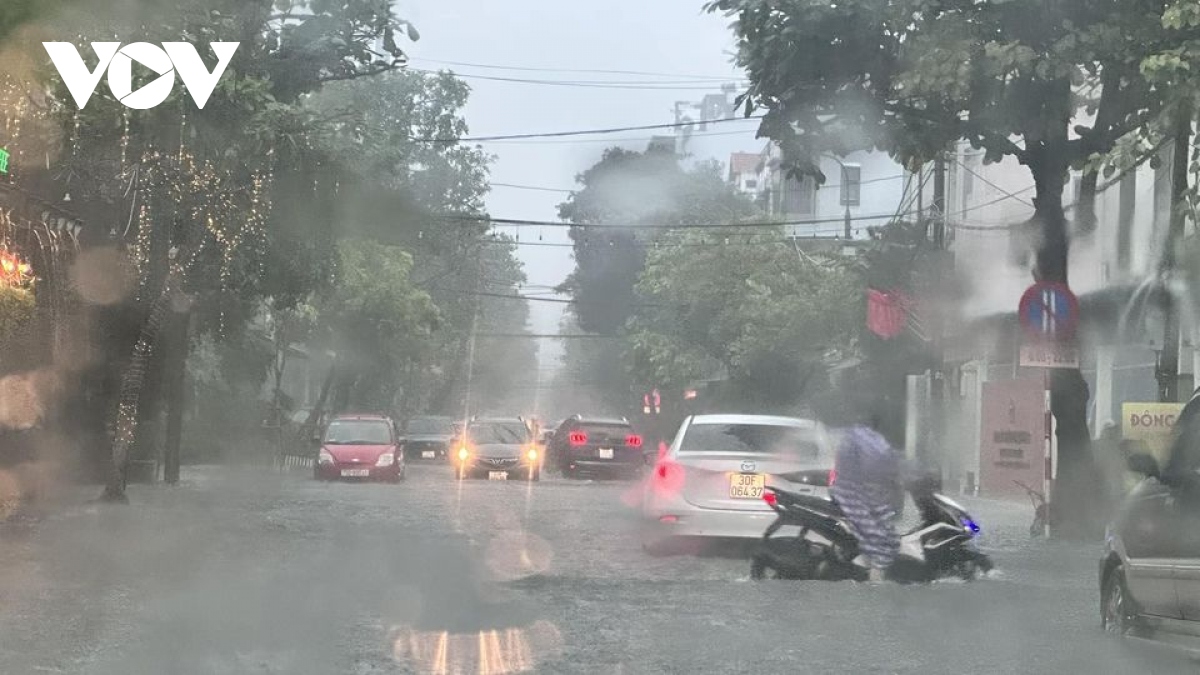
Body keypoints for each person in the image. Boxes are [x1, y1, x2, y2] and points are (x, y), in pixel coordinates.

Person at [830, 413, 904, 582]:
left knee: (887, 535)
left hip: (861, 494)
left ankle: (869, 568)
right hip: (852, 495)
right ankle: (875, 580)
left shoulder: (866, 439)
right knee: (878, 536)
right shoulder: (864, 440)